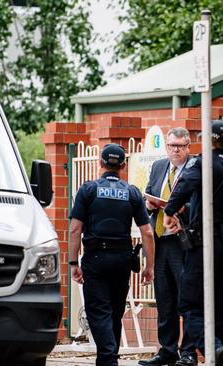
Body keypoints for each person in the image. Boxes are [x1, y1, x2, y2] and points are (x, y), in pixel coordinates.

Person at [68, 143, 156, 366]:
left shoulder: (87, 190)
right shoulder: (132, 192)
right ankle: (108, 359)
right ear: (124, 165)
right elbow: (147, 231)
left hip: (96, 260)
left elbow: (75, 229)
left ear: (100, 163)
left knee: (99, 312)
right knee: (114, 313)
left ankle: (108, 360)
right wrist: (150, 266)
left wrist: (72, 262)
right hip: (122, 261)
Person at [162, 120, 223, 366]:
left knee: (189, 303)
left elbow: (185, 185)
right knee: (219, 310)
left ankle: (213, 347)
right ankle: (218, 355)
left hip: (205, 243)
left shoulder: (202, 162)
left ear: (208, 139)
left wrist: (170, 210)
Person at [139, 128, 195, 366]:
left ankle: (189, 352)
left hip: (183, 241)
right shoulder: (160, 166)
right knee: (164, 298)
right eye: (172, 146)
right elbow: (149, 194)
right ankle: (167, 350)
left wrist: (182, 209)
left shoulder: (195, 168)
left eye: (180, 146)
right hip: (160, 240)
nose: (175, 150)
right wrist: (149, 205)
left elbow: (201, 203)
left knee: (186, 298)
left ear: (188, 146)